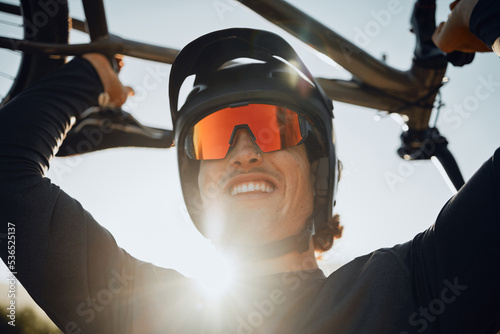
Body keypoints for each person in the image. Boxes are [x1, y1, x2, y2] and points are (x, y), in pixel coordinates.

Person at [0, 11, 499, 334]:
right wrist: (87, 77)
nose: (243, 153)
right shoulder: (144, 312)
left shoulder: (413, 289)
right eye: (215, 136)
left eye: (273, 127)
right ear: (196, 185)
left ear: (319, 171)